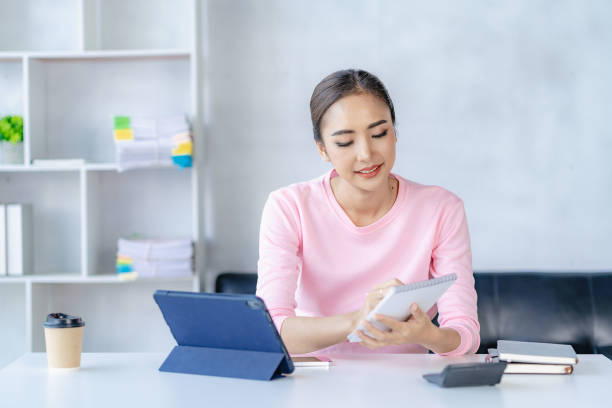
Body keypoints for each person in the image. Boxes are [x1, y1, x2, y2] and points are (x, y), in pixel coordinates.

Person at [256, 69, 480, 356]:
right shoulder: (289, 207)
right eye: (345, 142)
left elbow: (466, 334)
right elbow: (271, 329)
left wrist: (430, 336)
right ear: (322, 149)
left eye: (378, 134)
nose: (366, 154)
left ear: (394, 133)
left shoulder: (441, 209)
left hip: (406, 389)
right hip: (313, 385)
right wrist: (356, 320)